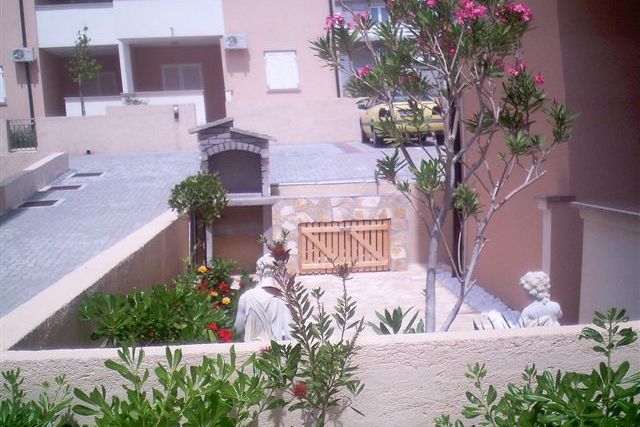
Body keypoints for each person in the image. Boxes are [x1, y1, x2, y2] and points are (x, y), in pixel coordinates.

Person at [234, 254, 292, 342]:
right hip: (275, 349)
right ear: (277, 272)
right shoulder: (283, 299)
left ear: (258, 272)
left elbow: (238, 329)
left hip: (252, 349)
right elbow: (289, 333)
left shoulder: (245, 298)